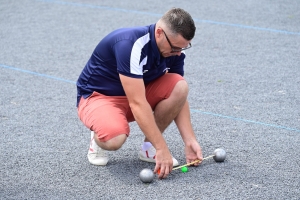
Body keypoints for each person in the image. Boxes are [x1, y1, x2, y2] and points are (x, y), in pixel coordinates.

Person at [76, 7, 203, 179]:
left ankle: (148, 148)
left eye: (183, 48)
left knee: (179, 86)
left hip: (136, 95)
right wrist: (162, 148)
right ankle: (98, 134)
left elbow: (178, 99)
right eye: (175, 48)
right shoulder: (130, 44)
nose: (178, 53)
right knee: (114, 139)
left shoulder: (174, 50)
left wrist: (190, 140)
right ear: (159, 33)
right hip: (99, 98)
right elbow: (137, 103)